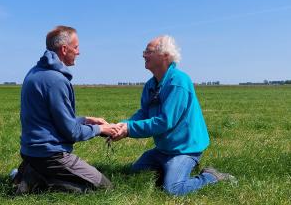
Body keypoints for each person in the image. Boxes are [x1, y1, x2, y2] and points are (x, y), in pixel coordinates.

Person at [111, 35, 236, 196]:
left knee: (173, 190)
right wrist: (121, 125)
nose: (143, 55)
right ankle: (169, 170)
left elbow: (164, 122)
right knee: (135, 173)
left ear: (165, 55)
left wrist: (129, 129)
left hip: (185, 149)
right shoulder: (151, 84)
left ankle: (211, 176)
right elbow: (144, 113)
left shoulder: (179, 81)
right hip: (164, 149)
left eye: (148, 51)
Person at [12, 26, 118, 194]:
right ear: (64, 49)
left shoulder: (35, 72)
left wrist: (85, 120)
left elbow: (51, 121)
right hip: (50, 155)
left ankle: (31, 172)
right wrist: (101, 129)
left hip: (31, 152)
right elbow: (71, 132)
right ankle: (38, 182)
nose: (78, 52)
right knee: (104, 188)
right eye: (75, 47)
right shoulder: (56, 80)